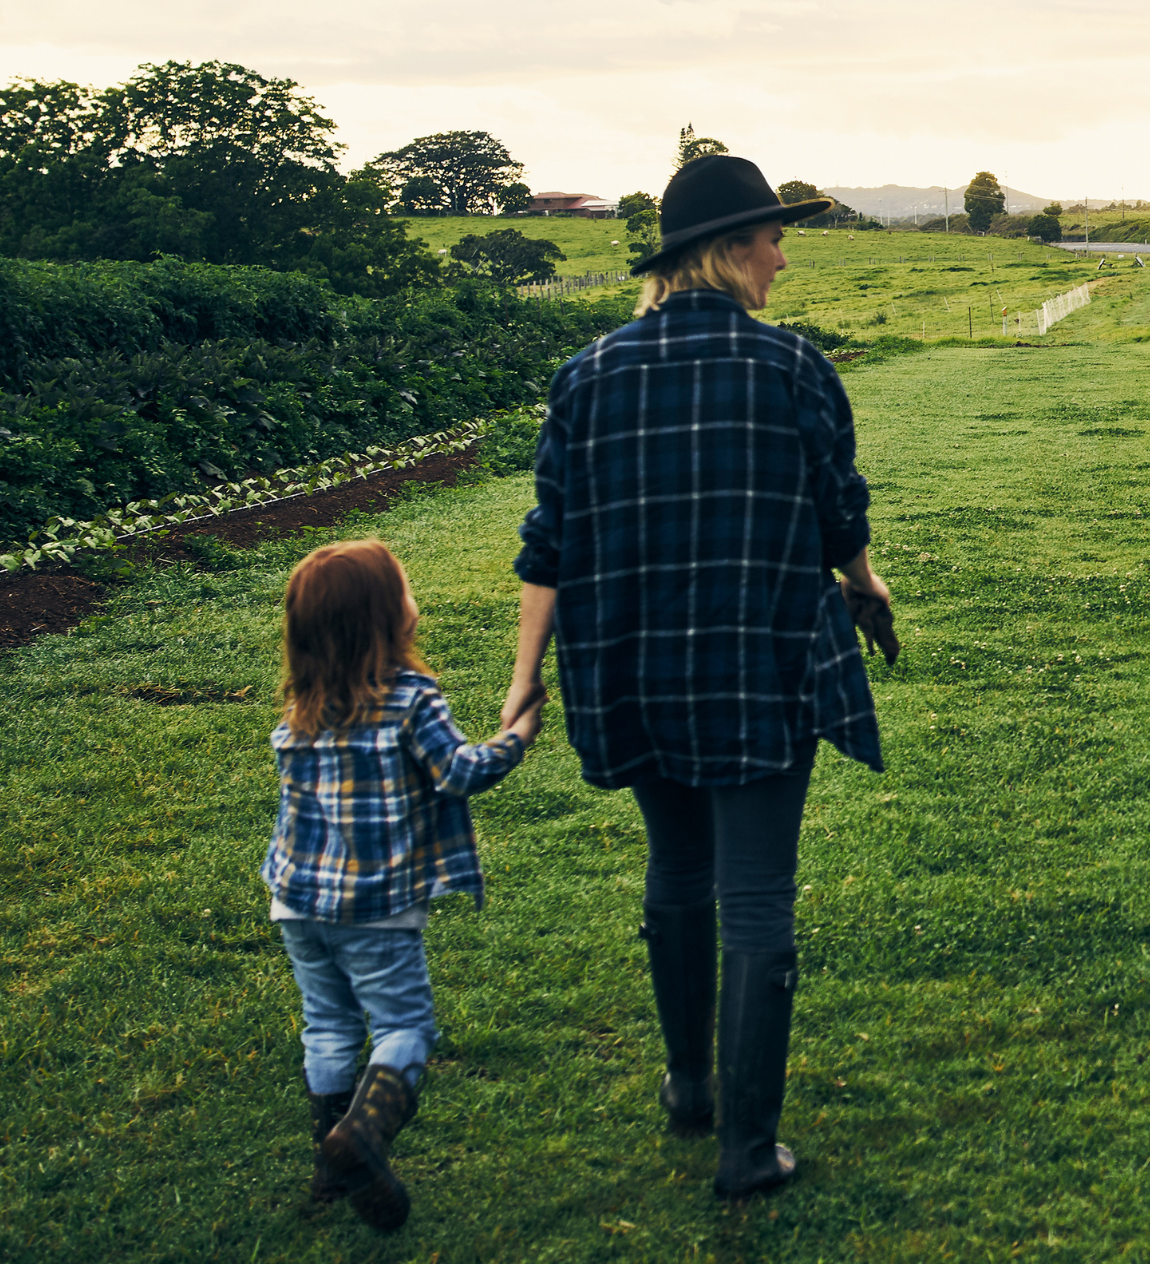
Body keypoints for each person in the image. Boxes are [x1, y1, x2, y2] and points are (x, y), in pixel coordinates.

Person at [508, 153, 888, 1199]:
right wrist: (865, 582)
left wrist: (523, 680)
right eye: (771, 237)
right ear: (725, 251)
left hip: (631, 666)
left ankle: (688, 1086)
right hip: (760, 665)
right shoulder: (793, 367)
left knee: (678, 872)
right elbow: (838, 511)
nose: (781, 255)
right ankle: (746, 1149)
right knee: (757, 895)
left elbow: (552, 541)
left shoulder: (586, 375)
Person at [266, 539, 542, 1232]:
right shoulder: (411, 699)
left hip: (297, 902)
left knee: (327, 1024)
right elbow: (458, 774)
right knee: (404, 1028)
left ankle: (332, 1166)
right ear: (388, 618)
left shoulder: (301, 706)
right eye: (406, 588)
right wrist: (517, 737)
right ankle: (361, 1137)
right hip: (375, 909)